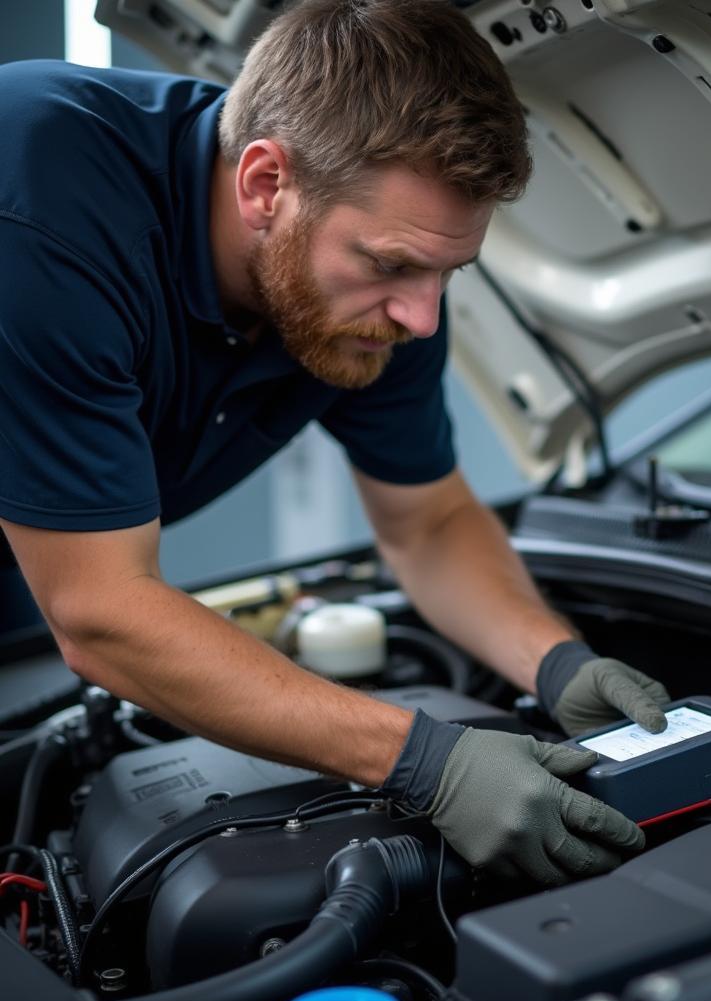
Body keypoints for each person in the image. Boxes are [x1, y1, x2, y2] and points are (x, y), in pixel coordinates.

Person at [0, 0, 669, 886]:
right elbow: (100, 611)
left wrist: (555, 664)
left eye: (448, 274)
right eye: (391, 265)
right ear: (265, 185)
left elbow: (427, 522)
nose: (423, 319)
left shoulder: (375, 303)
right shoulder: (41, 201)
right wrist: (429, 764)